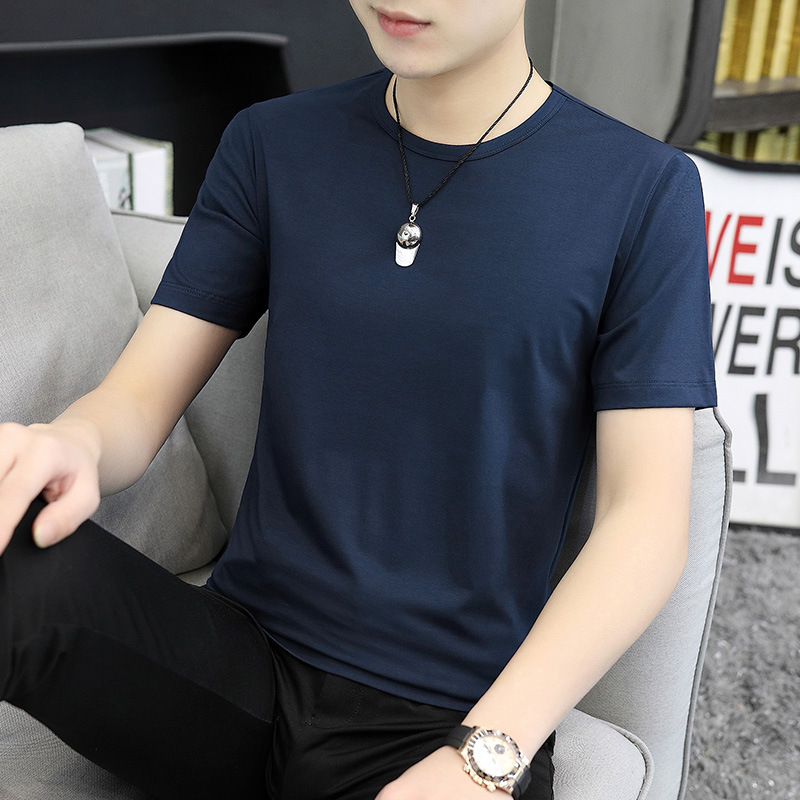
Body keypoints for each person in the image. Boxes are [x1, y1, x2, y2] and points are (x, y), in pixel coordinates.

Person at [0, 1, 717, 799]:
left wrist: (485, 756)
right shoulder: (273, 142)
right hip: (235, 665)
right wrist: (73, 442)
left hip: (442, 716)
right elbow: (138, 398)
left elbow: (644, 520)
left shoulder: (641, 190)